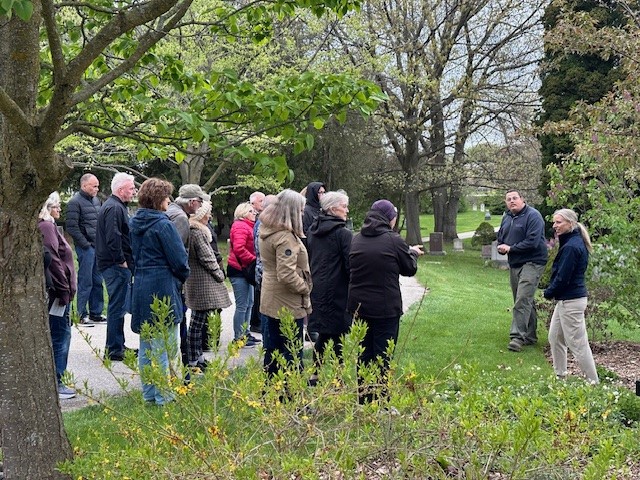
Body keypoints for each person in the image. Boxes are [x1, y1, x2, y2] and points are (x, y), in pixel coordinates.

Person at [348, 200, 424, 404]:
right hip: (385, 307)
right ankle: (381, 402)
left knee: (364, 353)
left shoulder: (356, 239)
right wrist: (413, 253)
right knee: (382, 355)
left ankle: (364, 399)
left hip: (359, 306)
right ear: (389, 218)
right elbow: (409, 269)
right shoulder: (394, 240)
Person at [129, 178, 190, 405]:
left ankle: (149, 393)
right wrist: (181, 276)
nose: (169, 200)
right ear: (159, 199)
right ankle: (165, 395)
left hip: (142, 283)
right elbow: (179, 260)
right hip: (163, 284)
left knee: (147, 345)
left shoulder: (134, 223)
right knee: (165, 345)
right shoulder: (163, 225)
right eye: (166, 196)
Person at [259, 189, 312, 377]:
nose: (303, 214)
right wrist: (304, 288)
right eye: (301, 210)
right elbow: (286, 273)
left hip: (271, 297)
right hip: (286, 302)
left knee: (273, 349)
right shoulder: (285, 238)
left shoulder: (269, 230)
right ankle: (291, 396)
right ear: (292, 211)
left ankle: (272, 393)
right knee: (291, 351)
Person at [544, 209, 599, 384]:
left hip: (571, 302)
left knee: (578, 344)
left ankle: (593, 383)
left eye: (559, 222)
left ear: (571, 223)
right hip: (565, 301)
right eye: (554, 222)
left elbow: (563, 277)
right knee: (555, 337)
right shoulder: (571, 242)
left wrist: (549, 292)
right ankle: (560, 378)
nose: (555, 226)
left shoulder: (572, 247)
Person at [306, 191, 352, 385]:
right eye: (344, 206)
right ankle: (339, 377)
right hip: (338, 289)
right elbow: (350, 264)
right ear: (333, 208)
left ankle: (315, 373)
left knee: (326, 333)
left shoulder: (313, 230)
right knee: (338, 333)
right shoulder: (343, 233)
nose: (347, 210)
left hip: (318, 286)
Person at [496, 189, 548, 352]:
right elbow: (501, 238)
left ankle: (517, 337)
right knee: (524, 299)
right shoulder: (507, 218)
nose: (512, 201)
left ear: (522, 199)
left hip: (533, 261)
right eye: (508, 199)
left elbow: (532, 242)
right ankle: (530, 336)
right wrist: (502, 248)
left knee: (522, 298)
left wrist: (511, 248)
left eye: (515, 198)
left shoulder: (533, 216)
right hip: (515, 262)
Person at [165, 183, 211, 366]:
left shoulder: (173, 212)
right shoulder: (180, 218)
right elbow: (177, 252)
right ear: (192, 202)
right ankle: (185, 360)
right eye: (200, 202)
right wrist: (182, 275)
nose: (201, 206)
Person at [38, 192, 77, 400]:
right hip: (57, 293)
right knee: (60, 336)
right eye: (57, 207)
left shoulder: (49, 225)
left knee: (60, 334)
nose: (59, 211)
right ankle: (57, 382)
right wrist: (64, 289)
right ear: (48, 207)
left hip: (60, 291)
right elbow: (54, 259)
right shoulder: (46, 226)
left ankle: (57, 380)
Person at [184, 200, 231, 371]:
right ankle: (193, 359)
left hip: (198, 279)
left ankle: (198, 357)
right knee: (197, 322)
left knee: (199, 321)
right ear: (202, 215)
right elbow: (207, 256)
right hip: (202, 281)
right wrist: (219, 274)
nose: (210, 215)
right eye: (209, 212)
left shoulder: (196, 230)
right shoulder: (197, 232)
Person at [96, 172, 137, 361]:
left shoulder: (116, 206)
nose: (134, 191)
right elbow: (113, 237)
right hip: (114, 264)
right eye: (131, 188)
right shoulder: (114, 208)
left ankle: (118, 344)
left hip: (114, 263)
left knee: (118, 306)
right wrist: (121, 260)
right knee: (117, 306)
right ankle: (114, 348)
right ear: (121, 190)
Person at [65, 173, 105, 326]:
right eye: (94, 186)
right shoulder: (75, 202)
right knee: (85, 280)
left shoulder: (96, 200)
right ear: (84, 185)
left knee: (97, 280)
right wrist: (85, 244)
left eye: (97, 185)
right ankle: (81, 314)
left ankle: (96, 312)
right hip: (86, 247)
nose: (97, 188)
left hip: (97, 246)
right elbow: (72, 227)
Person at [227, 202, 260, 346]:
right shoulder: (240, 226)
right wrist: (253, 260)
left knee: (250, 303)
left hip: (246, 269)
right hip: (239, 270)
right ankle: (238, 336)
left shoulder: (248, 226)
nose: (255, 213)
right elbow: (239, 248)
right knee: (242, 304)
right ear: (243, 213)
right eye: (251, 211)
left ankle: (245, 333)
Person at [249, 191, 266, 333]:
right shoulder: (259, 223)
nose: (263, 204)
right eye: (261, 201)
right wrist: (251, 259)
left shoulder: (257, 221)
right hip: (256, 264)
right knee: (255, 298)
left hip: (256, 263)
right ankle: (256, 322)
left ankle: (256, 321)